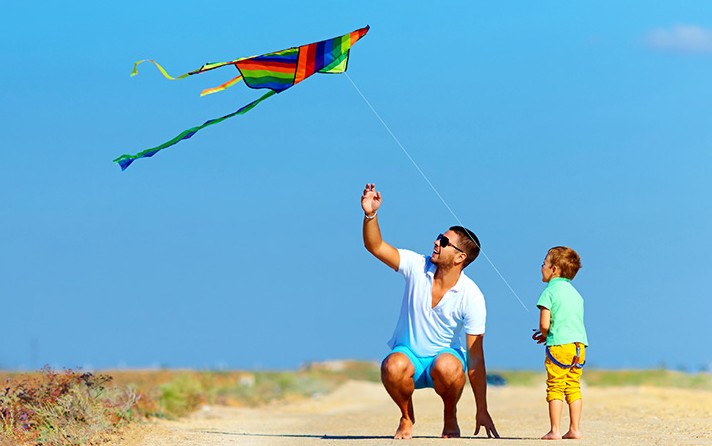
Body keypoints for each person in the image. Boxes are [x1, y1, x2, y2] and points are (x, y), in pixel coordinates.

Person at [360, 183, 499, 439]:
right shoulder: (416, 265)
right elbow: (376, 246)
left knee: (448, 366)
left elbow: (476, 359)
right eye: (439, 236)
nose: (437, 242)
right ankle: (406, 416)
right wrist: (370, 214)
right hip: (409, 356)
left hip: (443, 360)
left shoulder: (472, 295)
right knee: (392, 365)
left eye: (444, 241)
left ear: (459, 258)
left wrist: (482, 409)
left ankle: (450, 416)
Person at [532, 246, 589, 440]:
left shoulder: (549, 291)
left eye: (544, 264)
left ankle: (555, 430)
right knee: (573, 386)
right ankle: (575, 429)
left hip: (559, 346)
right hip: (579, 346)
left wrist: (545, 334)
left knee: (555, 386)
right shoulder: (576, 294)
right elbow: (569, 323)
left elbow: (544, 324)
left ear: (554, 269)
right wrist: (549, 333)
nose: (541, 267)